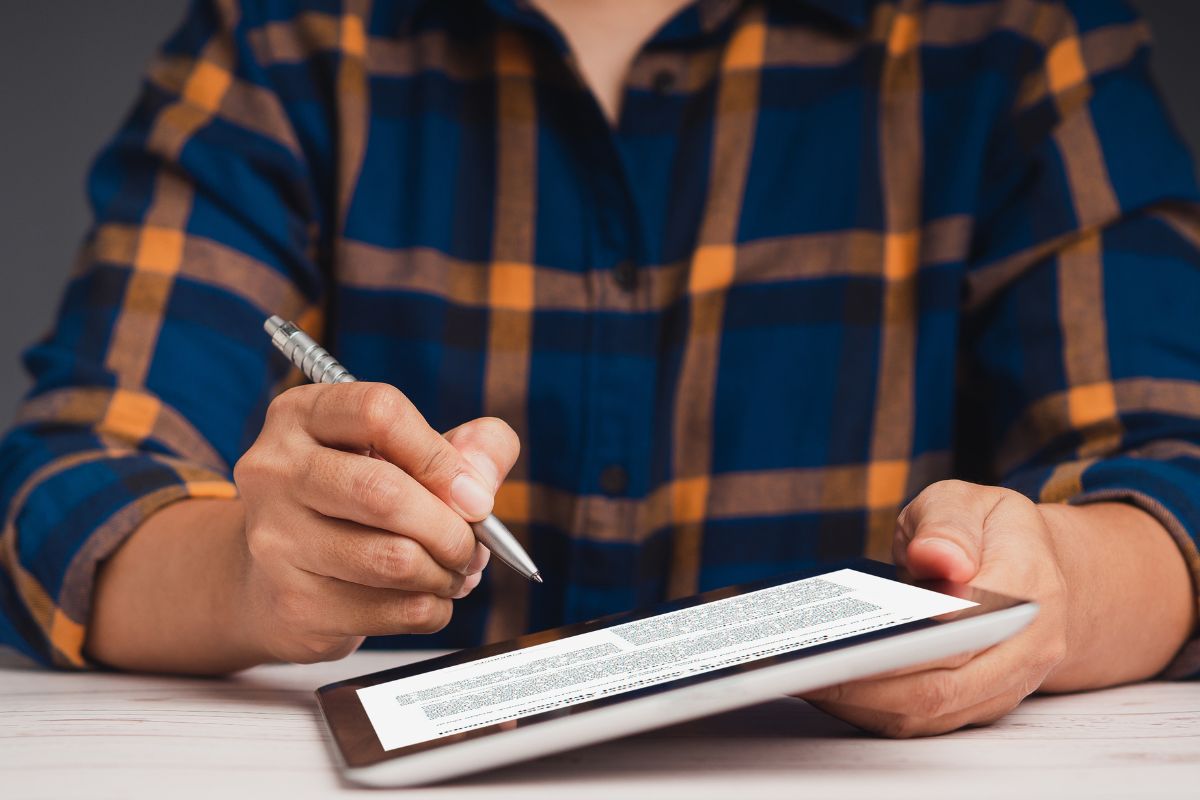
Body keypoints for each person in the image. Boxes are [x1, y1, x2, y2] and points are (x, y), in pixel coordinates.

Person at [0, 0, 1197, 739]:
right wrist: (254, 573)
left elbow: (1173, 472)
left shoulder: (1016, 31)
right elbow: (64, 488)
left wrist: (1061, 585)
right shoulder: (286, 37)